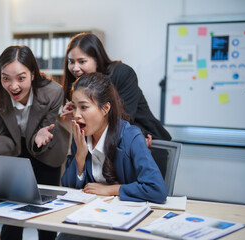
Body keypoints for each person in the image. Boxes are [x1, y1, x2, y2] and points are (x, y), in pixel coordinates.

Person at [0, 45, 68, 240]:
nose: (13, 86)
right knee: (11, 217)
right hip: (13, 153)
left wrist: (39, 139)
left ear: (33, 74)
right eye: (6, 78)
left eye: (21, 78)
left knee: (45, 221)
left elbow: (46, 131)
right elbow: (6, 139)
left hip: (46, 152)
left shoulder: (53, 92)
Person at [57, 72, 167, 240]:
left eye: (84, 107)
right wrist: (80, 157)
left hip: (126, 222)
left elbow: (156, 189)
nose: (77, 115)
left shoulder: (131, 137)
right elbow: (68, 187)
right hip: (93, 218)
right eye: (74, 107)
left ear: (105, 108)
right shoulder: (81, 135)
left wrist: (110, 190)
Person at [61, 32, 171, 177]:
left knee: (143, 191)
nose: (75, 68)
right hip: (111, 145)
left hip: (144, 140)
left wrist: (136, 141)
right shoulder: (80, 82)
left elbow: (124, 119)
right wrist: (78, 111)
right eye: (71, 61)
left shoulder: (123, 73)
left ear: (97, 60)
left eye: (82, 61)